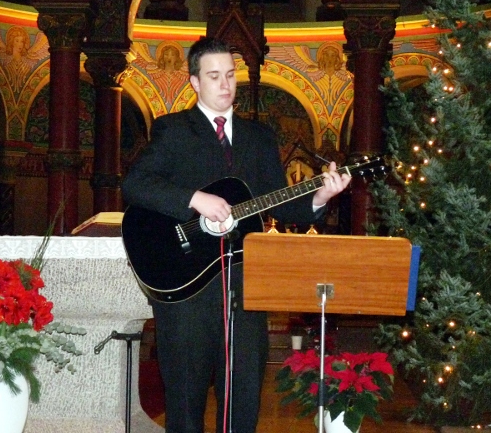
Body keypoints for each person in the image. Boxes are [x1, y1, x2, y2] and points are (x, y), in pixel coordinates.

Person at [122, 37, 351, 433]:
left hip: (245, 288)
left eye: (230, 75)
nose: (225, 84)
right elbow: (135, 185)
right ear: (195, 82)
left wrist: (321, 196)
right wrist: (194, 199)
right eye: (214, 76)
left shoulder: (259, 137)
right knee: (186, 404)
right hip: (186, 286)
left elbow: (281, 204)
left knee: (244, 397)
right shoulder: (173, 130)